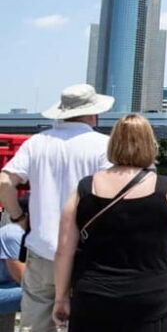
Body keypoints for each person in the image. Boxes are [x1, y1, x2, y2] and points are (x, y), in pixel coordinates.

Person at [51, 114, 167, 331]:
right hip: (149, 299)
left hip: (93, 298)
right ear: (149, 144)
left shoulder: (85, 188)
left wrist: (61, 297)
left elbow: (63, 249)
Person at [0, 83, 113, 332]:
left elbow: (4, 180)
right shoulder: (105, 145)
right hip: (87, 252)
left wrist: (18, 217)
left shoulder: (36, 143)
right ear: (93, 113)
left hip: (42, 250)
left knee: (36, 324)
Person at [0, 194, 28, 316]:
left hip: (5, 285)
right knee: (42, 294)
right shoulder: (14, 233)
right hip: (6, 287)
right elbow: (23, 278)